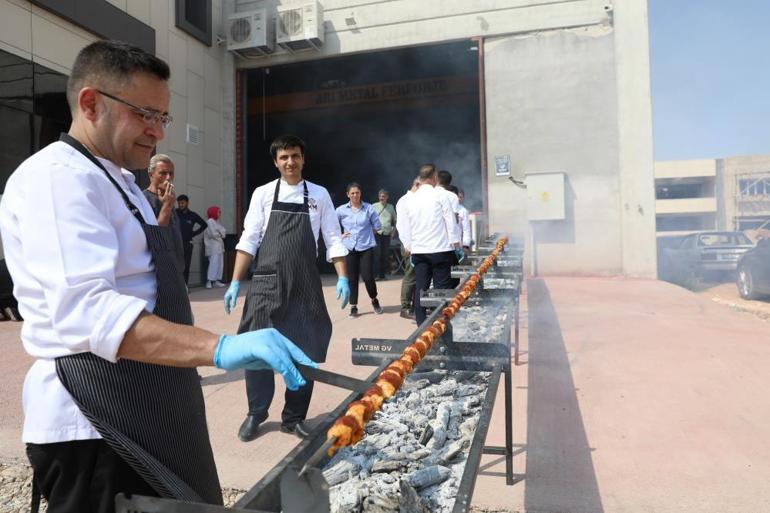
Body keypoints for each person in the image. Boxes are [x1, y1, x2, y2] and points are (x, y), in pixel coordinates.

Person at [0, 40, 314, 512]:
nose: (157, 133)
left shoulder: (117, 177)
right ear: (91, 103)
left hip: (149, 400)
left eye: (162, 118)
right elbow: (87, 311)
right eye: (145, 114)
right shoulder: (57, 178)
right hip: (98, 423)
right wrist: (219, 347)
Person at [223, 134, 350, 442]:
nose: (290, 162)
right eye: (283, 157)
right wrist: (235, 281)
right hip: (267, 281)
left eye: (294, 156)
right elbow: (249, 238)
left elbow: (332, 237)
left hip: (305, 283)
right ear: (276, 162)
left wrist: (343, 276)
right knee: (255, 348)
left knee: (306, 349)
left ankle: (293, 418)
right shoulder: (264, 193)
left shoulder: (318, 195)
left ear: (303, 158)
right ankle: (256, 412)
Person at [396, 164, 460, 324]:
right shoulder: (441, 196)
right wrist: (455, 242)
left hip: (419, 252)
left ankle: (421, 327)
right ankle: (441, 326)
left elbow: (402, 225)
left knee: (421, 289)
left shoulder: (410, 199)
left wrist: (408, 245)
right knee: (441, 291)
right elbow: (450, 221)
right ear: (434, 177)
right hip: (440, 250)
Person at [336, 182, 383, 318]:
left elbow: (378, 225)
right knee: (352, 278)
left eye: (357, 192)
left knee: (368, 277)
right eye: (352, 193)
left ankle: (374, 300)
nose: (355, 195)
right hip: (349, 247)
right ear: (348, 195)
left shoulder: (369, 208)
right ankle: (353, 306)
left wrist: (368, 233)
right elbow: (331, 224)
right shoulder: (341, 210)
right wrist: (340, 235)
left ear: (360, 193)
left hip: (366, 246)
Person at [143, 154, 184, 272]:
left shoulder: (169, 198)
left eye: (171, 173)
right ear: (151, 174)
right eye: (163, 173)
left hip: (176, 267)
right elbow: (156, 236)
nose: (168, 178)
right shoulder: (143, 199)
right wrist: (166, 206)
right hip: (158, 270)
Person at [396, 178, 420, 319]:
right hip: (409, 244)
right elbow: (402, 225)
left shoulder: (415, 200)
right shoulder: (404, 201)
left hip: (417, 243)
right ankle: (405, 308)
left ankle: (413, 306)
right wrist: (407, 245)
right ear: (416, 185)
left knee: (416, 277)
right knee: (410, 276)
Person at [176, 194, 207, 284]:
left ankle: (185, 286)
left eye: (182, 203)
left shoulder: (193, 215)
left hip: (188, 244)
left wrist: (193, 233)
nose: (181, 205)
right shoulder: (175, 213)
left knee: (186, 266)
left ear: (187, 203)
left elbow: (204, 225)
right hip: (176, 243)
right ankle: (178, 286)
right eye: (179, 203)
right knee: (177, 265)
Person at [373, 189, 397, 280]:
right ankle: (375, 275)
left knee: (385, 254)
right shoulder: (374, 206)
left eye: (383, 196)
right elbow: (368, 219)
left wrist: (393, 231)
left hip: (387, 233)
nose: (381, 198)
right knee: (377, 254)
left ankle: (382, 275)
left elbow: (395, 220)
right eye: (380, 196)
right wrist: (372, 229)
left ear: (387, 197)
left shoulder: (390, 207)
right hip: (377, 233)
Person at [204, 205, 227, 289]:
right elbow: (213, 234)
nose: (219, 214)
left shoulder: (216, 222)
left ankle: (217, 280)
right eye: (218, 212)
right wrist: (220, 233)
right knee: (213, 263)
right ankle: (209, 281)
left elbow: (223, 232)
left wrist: (220, 233)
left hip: (219, 246)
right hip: (213, 247)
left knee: (219, 263)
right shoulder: (210, 221)